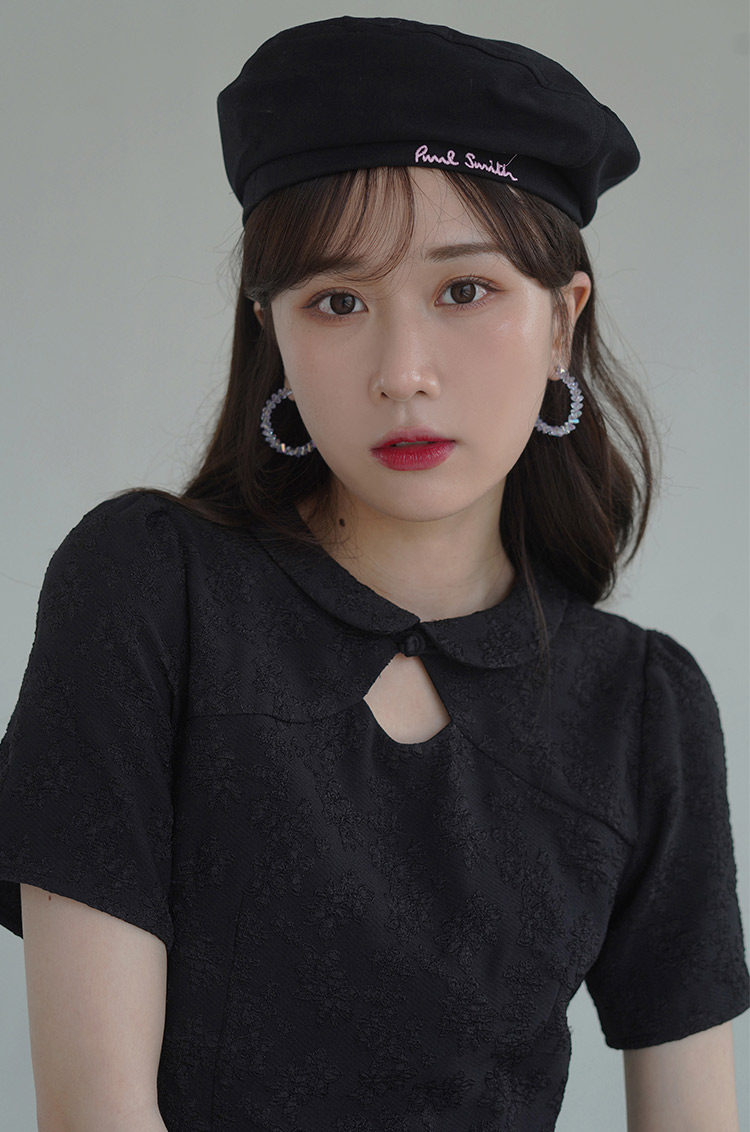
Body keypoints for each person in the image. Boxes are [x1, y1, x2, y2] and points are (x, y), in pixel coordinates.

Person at [0, 14, 747, 1132]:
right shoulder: (149, 589)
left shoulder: (643, 710)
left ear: (562, 319)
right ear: (273, 329)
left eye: (465, 290)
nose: (403, 373)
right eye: (337, 301)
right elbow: (93, 1111)